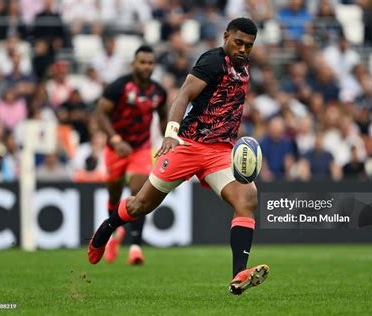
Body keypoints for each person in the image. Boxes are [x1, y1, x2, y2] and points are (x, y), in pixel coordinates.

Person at [88, 18, 269, 295]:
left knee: (247, 198)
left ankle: (238, 275)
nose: (243, 49)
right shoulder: (211, 61)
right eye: (239, 42)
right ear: (225, 37)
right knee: (140, 206)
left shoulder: (243, 68)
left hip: (219, 152)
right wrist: (171, 133)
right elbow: (183, 96)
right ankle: (105, 230)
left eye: (249, 45)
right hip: (187, 146)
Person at [94, 45, 168, 265]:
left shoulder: (158, 92)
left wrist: (169, 138)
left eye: (150, 63)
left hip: (141, 148)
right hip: (116, 148)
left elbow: (164, 117)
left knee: (138, 194)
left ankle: (136, 247)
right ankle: (114, 234)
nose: (146, 66)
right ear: (134, 64)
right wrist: (115, 139)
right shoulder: (119, 87)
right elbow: (100, 113)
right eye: (142, 62)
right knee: (115, 195)